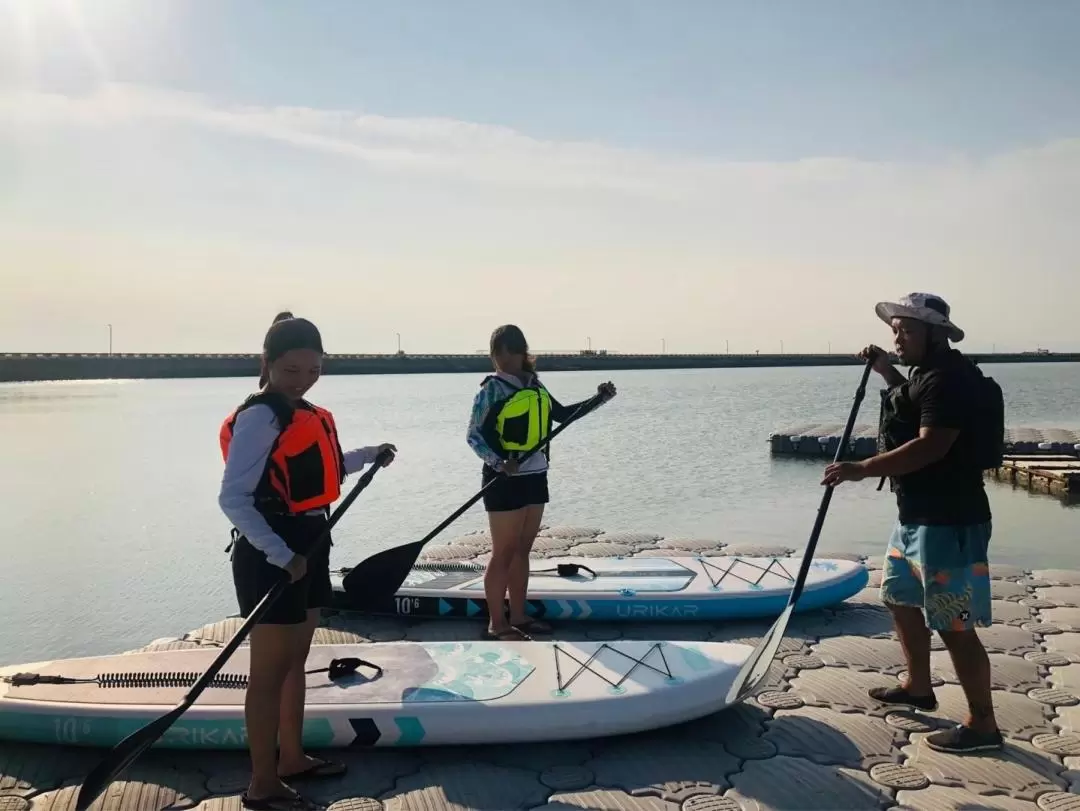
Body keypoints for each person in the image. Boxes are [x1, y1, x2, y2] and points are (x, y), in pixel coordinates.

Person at [218, 312, 396, 810]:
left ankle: (292, 758)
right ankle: (261, 781)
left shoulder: (307, 413)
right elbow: (234, 498)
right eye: (292, 370)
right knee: (269, 674)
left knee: (296, 663)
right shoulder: (261, 416)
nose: (303, 379)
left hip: (312, 541)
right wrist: (282, 555)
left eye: (313, 370)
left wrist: (370, 454)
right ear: (268, 364)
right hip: (272, 550)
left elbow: (325, 467)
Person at [821, 292, 1003, 754]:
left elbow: (930, 447)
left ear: (935, 334)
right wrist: (885, 371)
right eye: (895, 330)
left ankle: (982, 725)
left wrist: (861, 469)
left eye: (906, 330)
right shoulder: (930, 375)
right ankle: (918, 686)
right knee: (899, 599)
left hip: (951, 521)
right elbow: (913, 397)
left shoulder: (951, 381)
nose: (897, 337)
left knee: (953, 623)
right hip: (916, 517)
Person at [466, 324, 616, 641]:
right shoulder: (491, 390)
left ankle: (518, 616)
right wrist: (499, 462)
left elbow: (562, 415)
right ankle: (497, 623)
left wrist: (598, 399)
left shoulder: (535, 385)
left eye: (496, 354)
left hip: (535, 475)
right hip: (502, 480)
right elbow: (474, 437)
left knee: (522, 550)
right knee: (502, 553)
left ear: (507, 353)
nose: (496, 360)